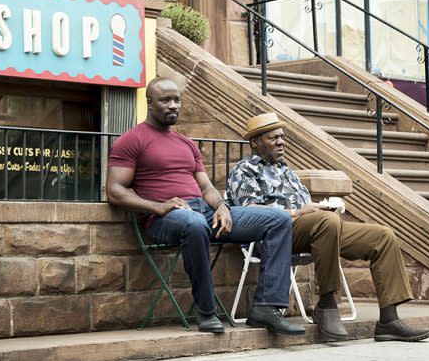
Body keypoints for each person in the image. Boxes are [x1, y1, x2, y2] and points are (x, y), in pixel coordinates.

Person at [106, 78, 304, 335]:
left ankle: (266, 307)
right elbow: (114, 190)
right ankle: (206, 311)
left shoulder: (186, 144)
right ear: (150, 102)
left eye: (176, 100)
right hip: (165, 219)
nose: (173, 106)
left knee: (278, 220)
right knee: (195, 224)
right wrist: (158, 207)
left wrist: (222, 207)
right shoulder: (132, 140)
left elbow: (206, 187)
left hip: (204, 211)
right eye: (165, 100)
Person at [225, 112, 429, 342]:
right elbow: (249, 211)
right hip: (276, 234)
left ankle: (389, 320)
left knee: (383, 236)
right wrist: (297, 212)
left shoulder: (285, 170)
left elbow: (305, 206)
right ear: (255, 142)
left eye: (282, 137)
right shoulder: (243, 170)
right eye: (273, 138)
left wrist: (321, 207)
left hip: (316, 229)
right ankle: (326, 303)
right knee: (327, 223)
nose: (281, 142)